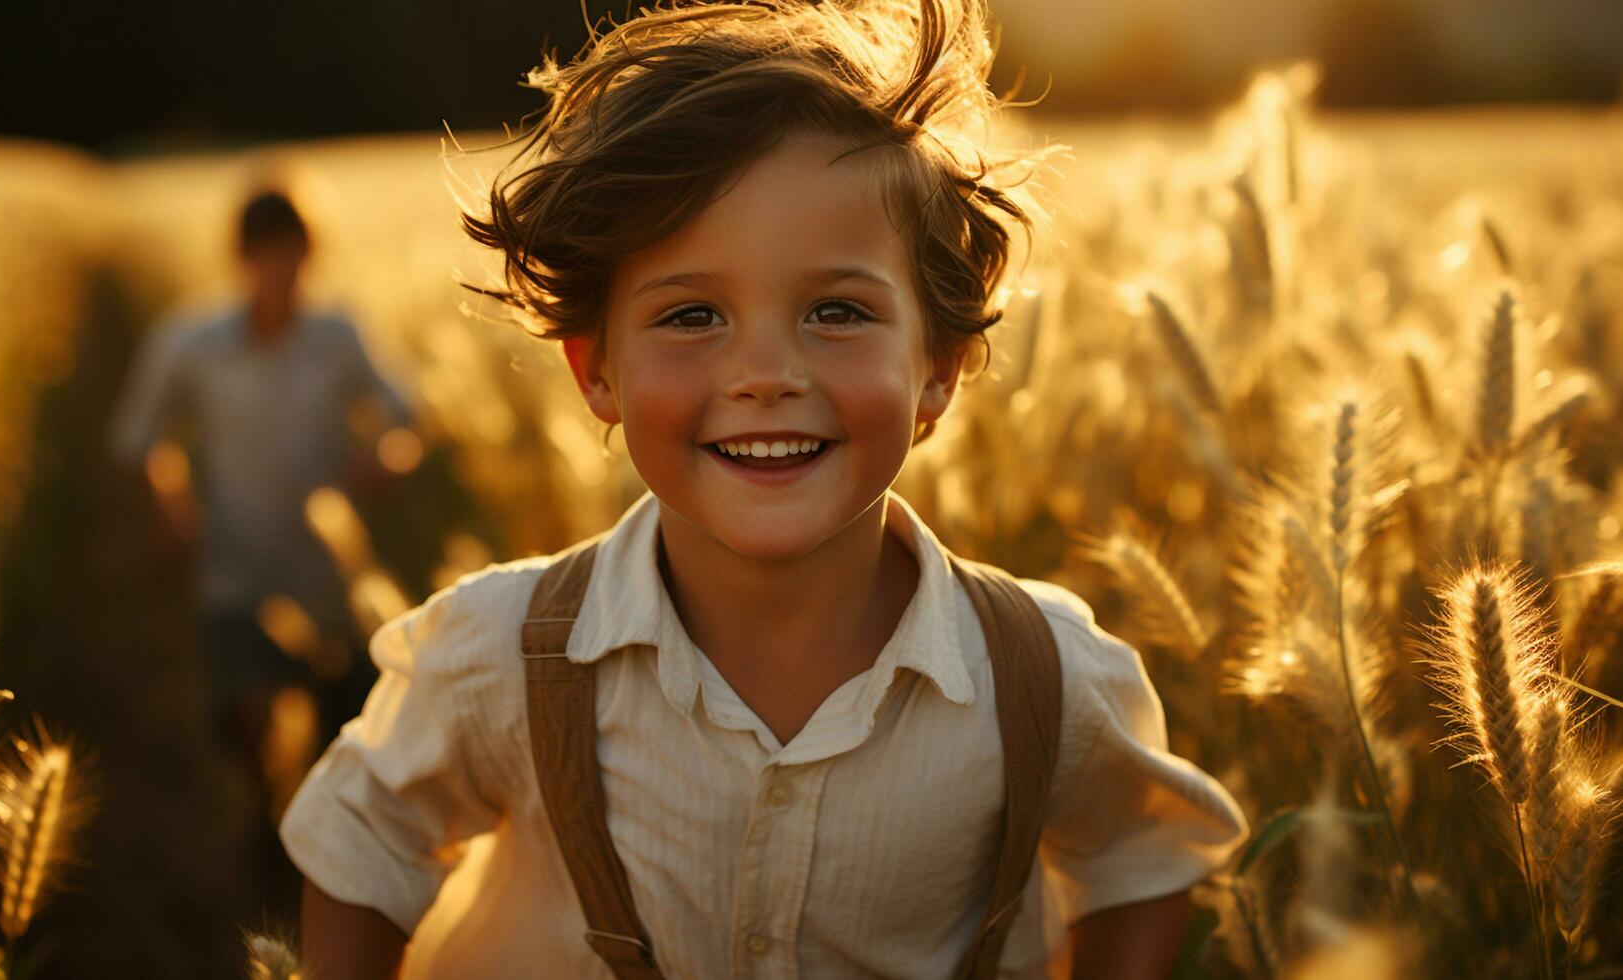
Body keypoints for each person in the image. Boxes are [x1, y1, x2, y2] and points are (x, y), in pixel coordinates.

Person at [281, 1, 1247, 977]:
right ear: (595, 370)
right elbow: (365, 835)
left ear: (938, 366)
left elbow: (1137, 849)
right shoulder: (503, 655)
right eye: (692, 313)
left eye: (836, 309)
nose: (764, 373)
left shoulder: (1040, 678)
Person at [110, 187, 414, 773]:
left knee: (338, 739)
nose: (280, 269)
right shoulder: (194, 342)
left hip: (327, 576)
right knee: (247, 724)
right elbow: (142, 432)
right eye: (265, 253)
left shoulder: (337, 335)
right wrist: (169, 496)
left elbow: (405, 415)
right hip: (234, 570)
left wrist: (388, 457)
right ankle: (263, 836)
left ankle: (311, 846)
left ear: (309, 254)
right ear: (241, 258)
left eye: (291, 253)